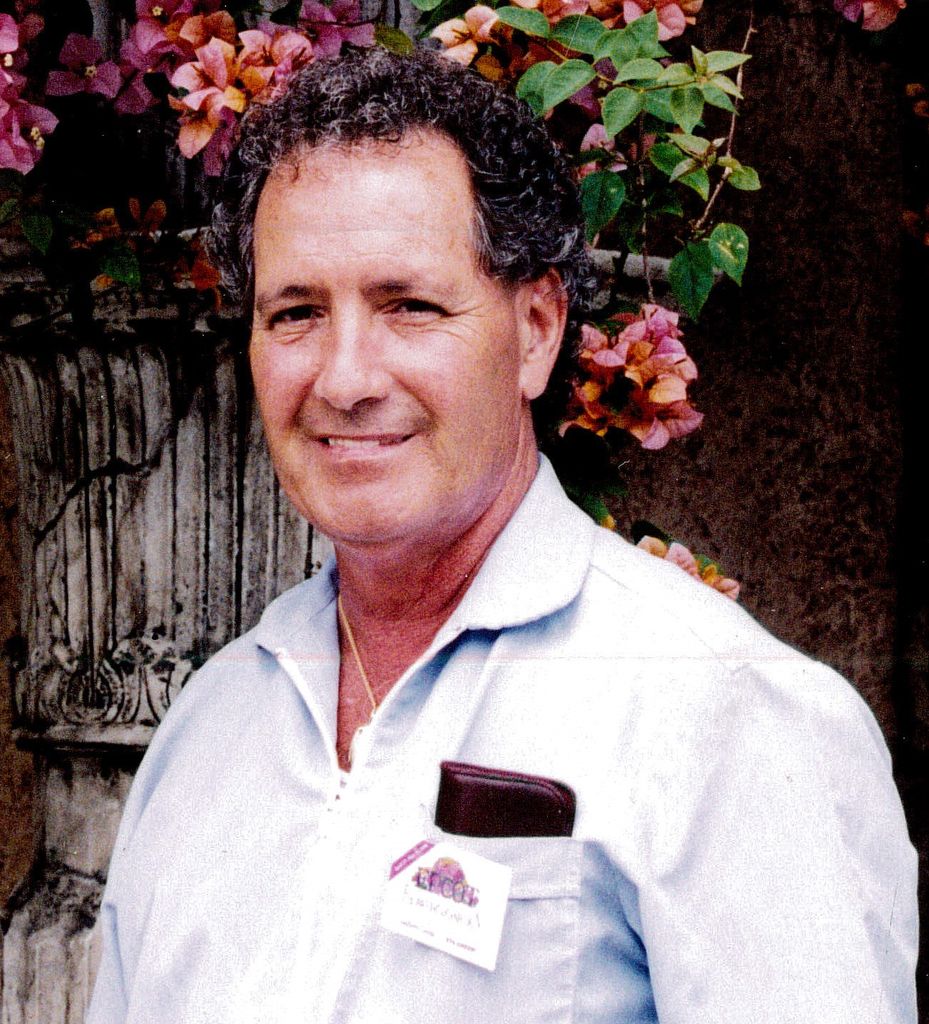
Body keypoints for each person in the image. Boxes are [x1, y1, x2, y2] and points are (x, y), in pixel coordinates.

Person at [86, 47, 918, 1024]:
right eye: (296, 312)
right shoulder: (210, 728)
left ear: (535, 329)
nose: (346, 378)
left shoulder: (724, 715)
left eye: (409, 307)